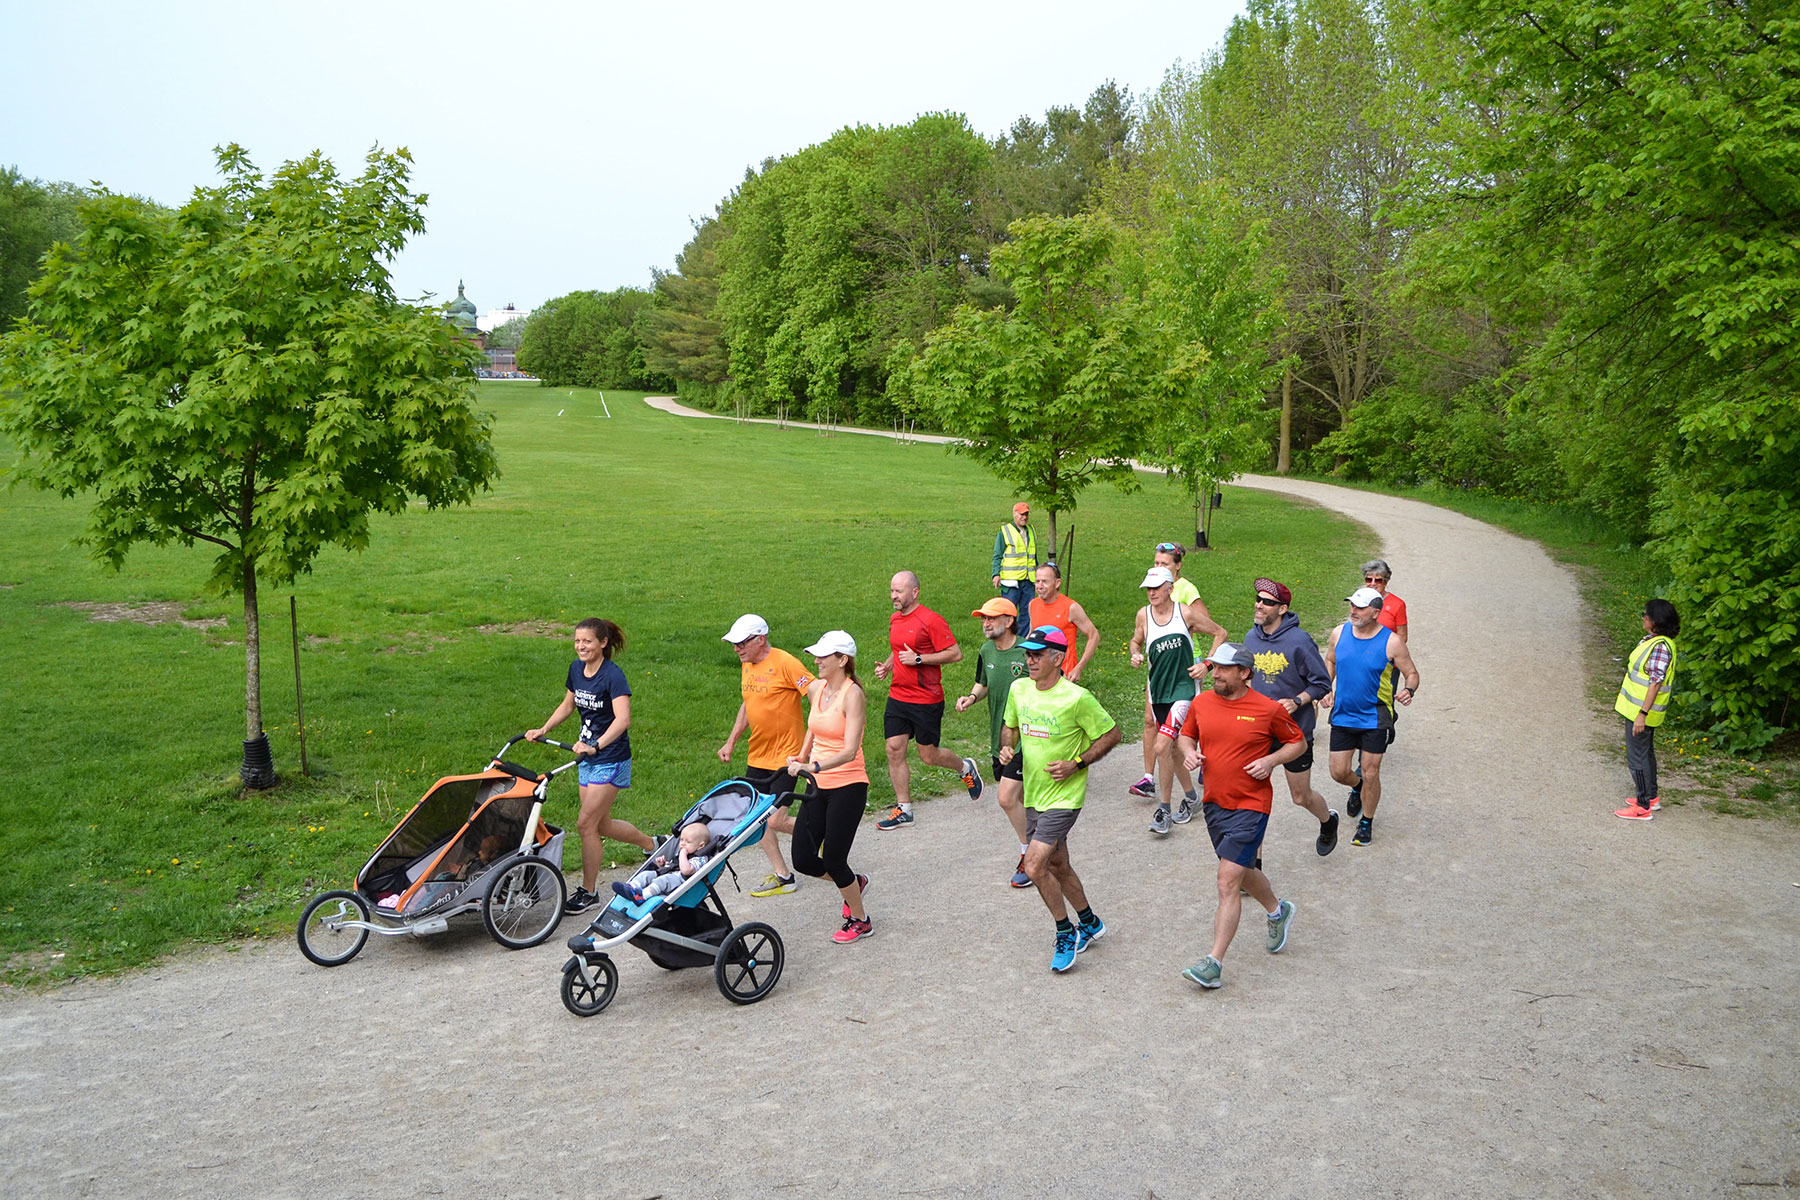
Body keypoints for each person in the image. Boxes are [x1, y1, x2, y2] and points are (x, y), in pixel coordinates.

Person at [1174, 643, 1308, 990]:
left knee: (1227, 879)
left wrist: (1270, 761)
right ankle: (1279, 911)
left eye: (1223, 669)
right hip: (1215, 803)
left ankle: (1213, 963)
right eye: (1214, 667)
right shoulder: (1202, 703)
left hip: (1252, 805)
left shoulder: (1266, 710)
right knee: (1242, 871)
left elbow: (1298, 744)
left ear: (1244, 673)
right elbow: (1186, 736)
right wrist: (1190, 754)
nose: (1215, 673)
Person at [999, 626, 1122, 972]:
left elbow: (1112, 733)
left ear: (1057, 658)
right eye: (1028, 654)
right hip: (1035, 794)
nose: (1030, 660)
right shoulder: (1019, 689)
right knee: (1058, 865)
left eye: (1038, 655)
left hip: (1065, 796)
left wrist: (1077, 763)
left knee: (1035, 865)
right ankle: (1090, 921)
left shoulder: (1076, 698)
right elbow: (1009, 725)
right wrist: (1007, 745)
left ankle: (1066, 932)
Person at [528, 617, 656, 913]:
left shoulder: (613, 676)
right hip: (587, 757)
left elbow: (623, 720)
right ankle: (652, 845)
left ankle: (588, 892)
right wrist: (543, 729)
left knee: (586, 824)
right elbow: (568, 705)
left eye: (586, 641)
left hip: (610, 759)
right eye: (576, 641)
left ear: (602, 643)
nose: (580, 646)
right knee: (601, 824)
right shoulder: (576, 670)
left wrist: (596, 745)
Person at [873, 570, 982, 830]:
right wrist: (888, 666)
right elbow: (899, 648)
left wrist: (920, 659)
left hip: (926, 699)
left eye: (898, 591)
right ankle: (904, 810)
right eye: (891, 591)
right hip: (898, 695)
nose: (894, 596)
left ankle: (965, 767)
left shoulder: (931, 620)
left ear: (915, 592)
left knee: (929, 756)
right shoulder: (895, 619)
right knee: (894, 749)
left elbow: (955, 654)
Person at [715, 614, 814, 897]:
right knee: (755, 820)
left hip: (787, 758)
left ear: (760, 639)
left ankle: (820, 835)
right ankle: (784, 876)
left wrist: (809, 748)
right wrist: (731, 741)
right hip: (757, 756)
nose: (736, 649)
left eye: (741, 643)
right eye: (734, 644)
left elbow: (817, 696)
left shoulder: (786, 663)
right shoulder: (747, 664)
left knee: (775, 820)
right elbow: (748, 705)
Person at [786, 631, 876, 942]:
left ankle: (861, 920)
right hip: (817, 785)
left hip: (848, 785)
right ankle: (852, 882)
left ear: (842, 660)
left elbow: (850, 750)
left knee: (835, 860)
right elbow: (814, 726)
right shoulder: (820, 688)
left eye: (823, 656)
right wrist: (802, 754)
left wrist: (812, 766)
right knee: (803, 859)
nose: (817, 660)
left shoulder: (853, 695)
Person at [1243, 577, 1341, 856]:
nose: (1260, 605)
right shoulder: (1251, 637)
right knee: (1253, 799)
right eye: (1258, 599)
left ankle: (1327, 820)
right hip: (1259, 730)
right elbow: (1248, 677)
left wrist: (1297, 701)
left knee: (1300, 796)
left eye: (1267, 602)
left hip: (1293, 732)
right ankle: (1252, 865)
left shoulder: (1300, 641)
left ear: (1282, 608)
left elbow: (1322, 683)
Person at [1129, 566, 1227, 834]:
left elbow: (1221, 633)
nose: (1151, 593)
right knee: (1171, 750)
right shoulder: (1143, 616)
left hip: (1184, 692)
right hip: (1158, 691)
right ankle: (1194, 799)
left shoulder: (1184, 613)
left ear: (1169, 589)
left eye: (1156, 588)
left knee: (1161, 746)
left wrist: (1208, 664)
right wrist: (1135, 654)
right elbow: (1135, 641)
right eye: (1148, 588)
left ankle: (1164, 811)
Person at [1322, 588, 1421, 847]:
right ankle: (1357, 787)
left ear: (1376, 613)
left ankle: (1366, 820)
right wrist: (1325, 688)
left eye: (1360, 607)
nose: (1353, 611)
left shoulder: (1391, 642)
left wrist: (1408, 690)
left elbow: (1412, 673)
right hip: (1344, 713)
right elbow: (1330, 661)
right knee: (1338, 771)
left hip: (1375, 715)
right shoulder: (1338, 633)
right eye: (1352, 605)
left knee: (1371, 771)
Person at [955, 598, 1033, 887]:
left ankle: (1030, 855)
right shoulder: (986, 650)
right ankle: (1044, 843)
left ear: (1009, 621)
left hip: (1024, 741)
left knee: (1006, 797)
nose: (985, 623)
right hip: (997, 742)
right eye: (983, 619)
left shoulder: (1027, 651)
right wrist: (971, 697)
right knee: (1024, 800)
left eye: (992, 618)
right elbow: (984, 682)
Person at [1614, 599, 1680, 821]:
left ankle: (1643, 807)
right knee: (1646, 753)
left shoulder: (1660, 647)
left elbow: (1655, 682)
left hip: (1641, 711)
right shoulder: (1656, 642)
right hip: (1640, 710)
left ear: (1656, 621)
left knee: (1637, 758)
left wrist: (1642, 714)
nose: (1643, 617)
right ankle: (1651, 797)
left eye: (1646, 615)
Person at [1027, 563, 1100, 683]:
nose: (1040, 586)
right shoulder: (1032, 605)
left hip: (1064, 675)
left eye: (1045, 581)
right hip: (1040, 672)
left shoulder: (1071, 608)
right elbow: (1031, 634)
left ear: (1057, 583)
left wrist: (1078, 668)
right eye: (1037, 581)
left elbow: (1094, 636)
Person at [611, 822, 712, 903]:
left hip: (680, 882)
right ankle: (631, 887)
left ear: (701, 846)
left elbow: (686, 870)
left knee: (663, 880)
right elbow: (674, 867)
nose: (683, 844)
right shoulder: (685, 853)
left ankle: (642, 896)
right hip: (669, 875)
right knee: (647, 874)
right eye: (681, 840)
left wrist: (683, 854)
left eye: (688, 842)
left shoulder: (700, 859)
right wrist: (663, 865)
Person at [991, 501, 1039, 636]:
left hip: (1028, 580)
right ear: (1014, 514)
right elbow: (997, 555)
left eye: (1027, 514)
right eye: (1022, 514)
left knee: (1027, 613)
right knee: (1008, 613)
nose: (1025, 517)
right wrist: (996, 574)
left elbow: (1033, 556)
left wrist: (1038, 577)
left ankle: (1022, 641)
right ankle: (1007, 639)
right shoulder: (1005, 531)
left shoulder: (1031, 531)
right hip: (1011, 582)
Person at [1361, 559, 1408, 643]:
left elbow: (1402, 637)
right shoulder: (1359, 599)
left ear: (1385, 582)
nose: (1372, 583)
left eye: (1378, 580)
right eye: (1369, 579)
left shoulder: (1397, 604)